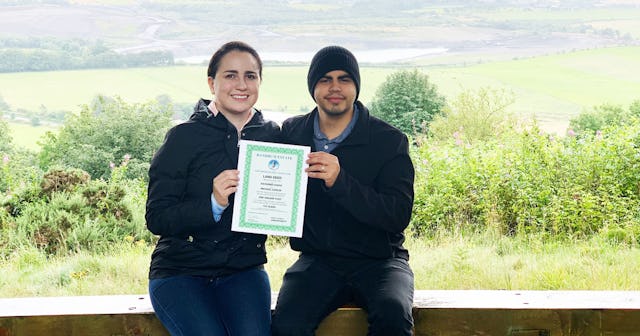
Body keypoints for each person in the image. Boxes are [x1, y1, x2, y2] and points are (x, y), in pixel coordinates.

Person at [271, 46, 415, 336]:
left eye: (344, 79)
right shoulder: (292, 133)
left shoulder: (388, 141)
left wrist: (341, 182)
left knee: (393, 316)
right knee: (285, 324)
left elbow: (397, 215)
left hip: (381, 262)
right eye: (325, 79)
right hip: (317, 261)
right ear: (313, 87)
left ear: (356, 87)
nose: (334, 88)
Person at [145, 41, 279, 336]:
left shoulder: (272, 138)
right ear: (211, 83)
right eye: (230, 75)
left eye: (250, 75)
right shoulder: (183, 137)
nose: (241, 84)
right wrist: (213, 202)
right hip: (180, 271)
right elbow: (157, 217)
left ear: (259, 82)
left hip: (243, 270)